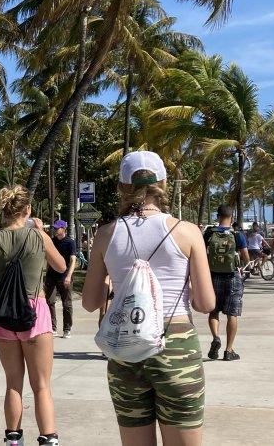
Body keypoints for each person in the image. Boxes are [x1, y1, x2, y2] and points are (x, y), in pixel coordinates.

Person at [82, 150, 215, 446]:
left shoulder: (105, 235)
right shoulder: (188, 232)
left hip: (125, 348)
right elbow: (205, 303)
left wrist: (116, 278)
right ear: (164, 184)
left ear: (121, 187)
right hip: (176, 344)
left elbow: (90, 302)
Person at [0, 186, 66, 446]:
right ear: (27, 210)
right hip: (35, 312)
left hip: (3, 314)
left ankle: (13, 439)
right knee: (41, 386)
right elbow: (60, 266)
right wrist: (40, 231)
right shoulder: (38, 236)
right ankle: (48, 439)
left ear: (4, 211)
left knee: (13, 384)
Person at [204, 206, 248, 362]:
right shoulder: (237, 235)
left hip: (213, 276)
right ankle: (228, 351)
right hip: (232, 277)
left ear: (218, 216)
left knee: (214, 311)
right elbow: (246, 257)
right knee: (232, 314)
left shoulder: (209, 233)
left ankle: (216, 337)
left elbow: (202, 254)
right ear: (232, 216)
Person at [44, 219, 78, 338]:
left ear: (64, 229)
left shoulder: (70, 242)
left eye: (57, 228)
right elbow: (48, 259)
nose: (55, 230)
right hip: (51, 277)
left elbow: (73, 260)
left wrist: (68, 276)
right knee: (50, 302)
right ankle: (53, 327)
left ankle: (67, 329)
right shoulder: (51, 242)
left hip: (65, 277)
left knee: (67, 304)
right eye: (54, 228)